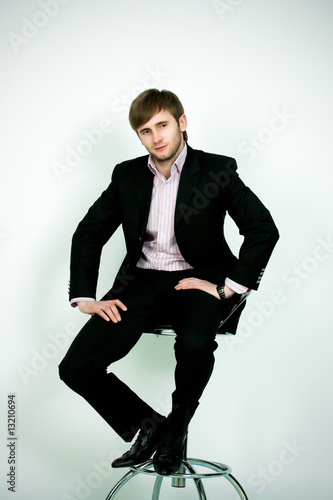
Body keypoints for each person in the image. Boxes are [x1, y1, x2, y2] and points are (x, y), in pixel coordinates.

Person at [59, 89, 279, 475]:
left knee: (195, 343)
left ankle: (176, 431)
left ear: (182, 123)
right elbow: (90, 231)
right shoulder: (127, 175)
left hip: (197, 281)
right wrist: (84, 297)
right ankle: (152, 427)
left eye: (162, 125)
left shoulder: (217, 170)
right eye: (145, 131)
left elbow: (263, 229)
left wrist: (227, 288)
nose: (156, 137)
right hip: (138, 284)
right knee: (75, 366)